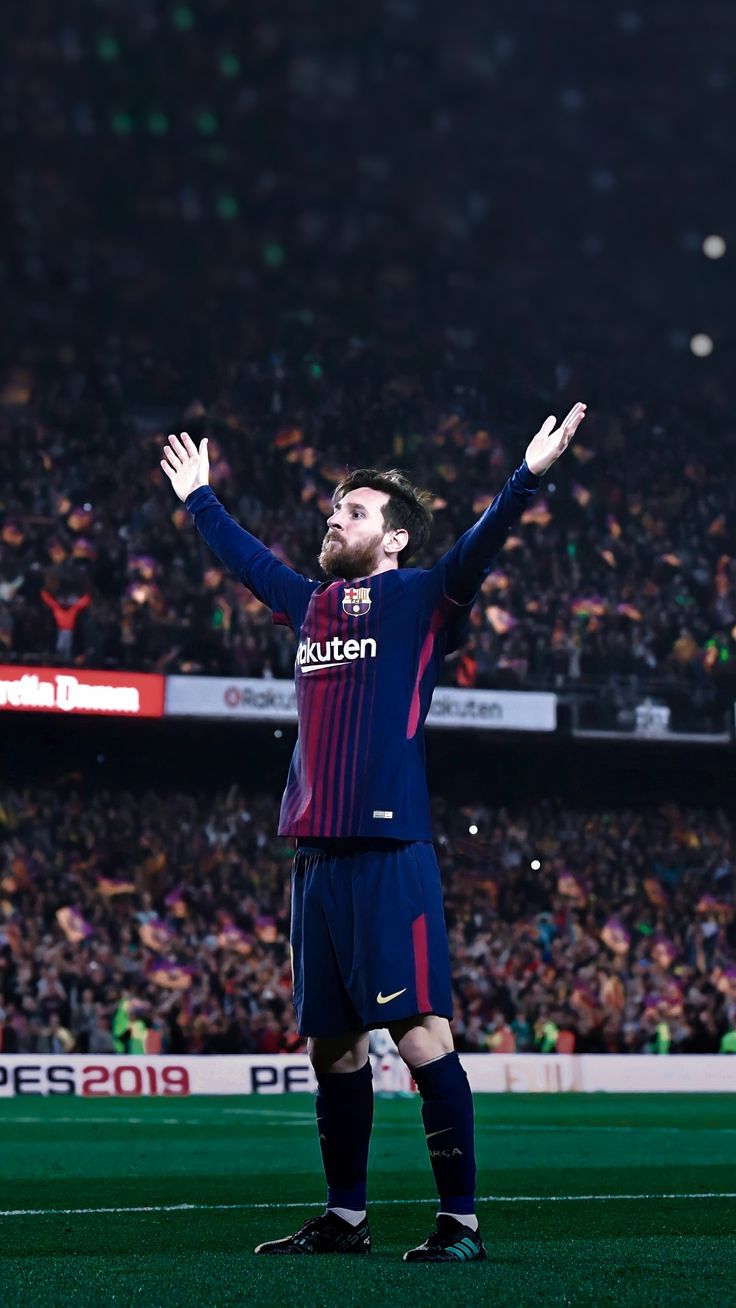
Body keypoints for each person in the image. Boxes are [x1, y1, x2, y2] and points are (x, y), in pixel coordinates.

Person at [160, 401, 587, 1262]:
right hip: (316, 855)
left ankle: (458, 1224)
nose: (335, 515)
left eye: (353, 510)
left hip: (392, 851)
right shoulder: (310, 605)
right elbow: (251, 564)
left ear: (393, 538)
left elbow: (480, 543)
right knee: (330, 1048)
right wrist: (199, 499)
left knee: (422, 1036)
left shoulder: (422, 597)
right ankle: (345, 1219)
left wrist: (527, 476)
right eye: (335, 508)